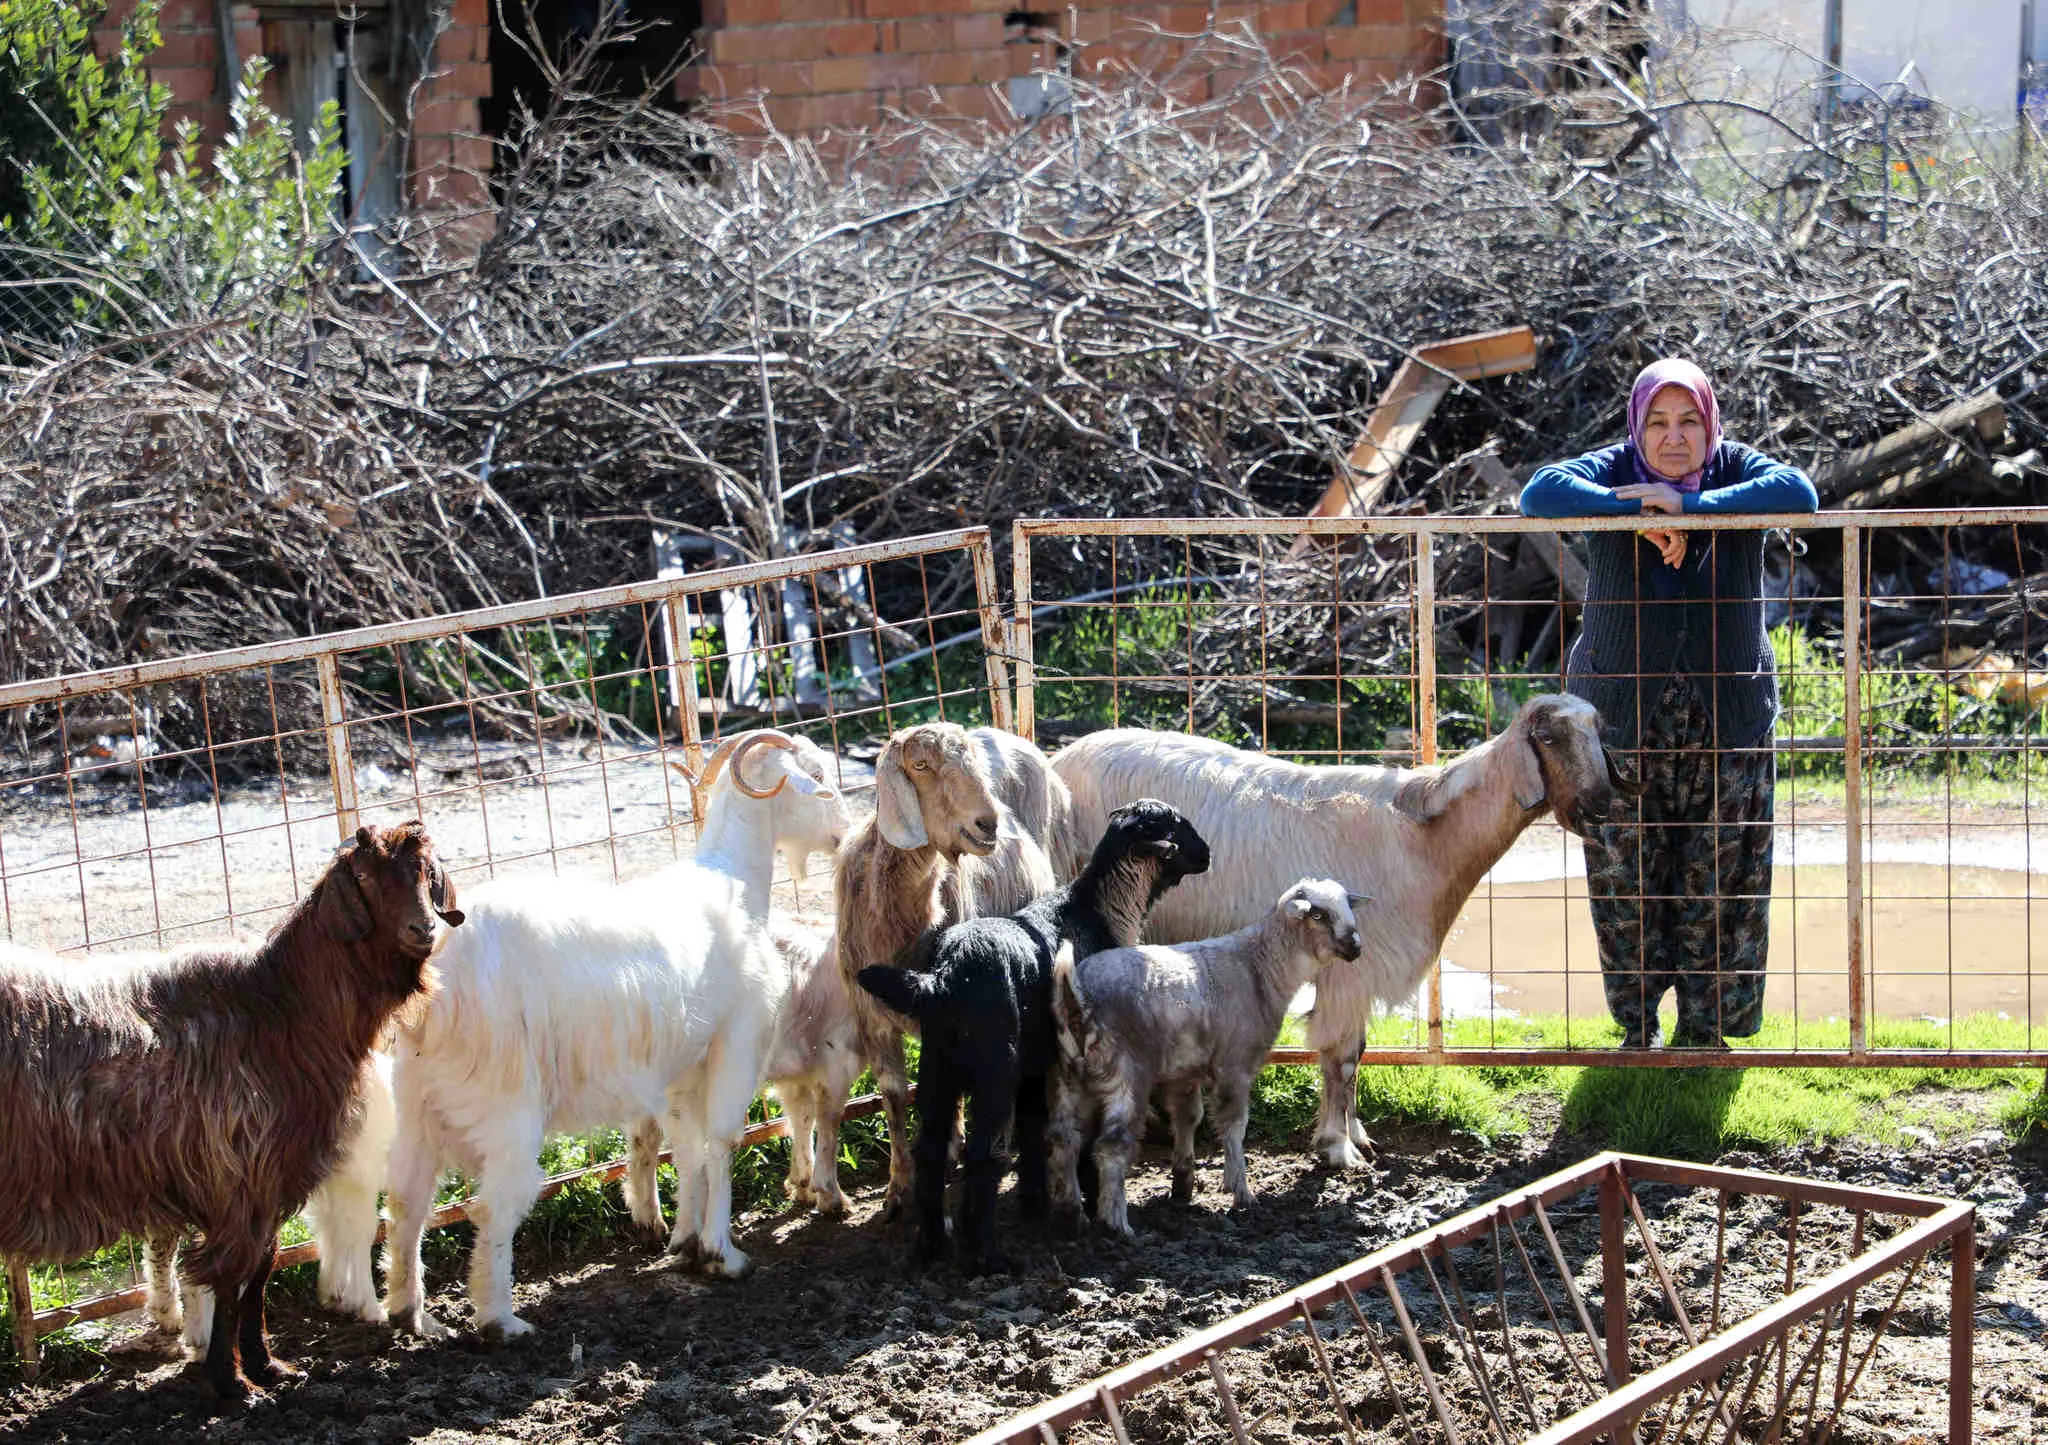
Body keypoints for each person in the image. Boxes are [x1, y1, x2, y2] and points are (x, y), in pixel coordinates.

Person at [1518, 359, 1818, 1048]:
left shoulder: (1734, 470)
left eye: (1689, 421)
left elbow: (1799, 491)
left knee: (1718, 878)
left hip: (1728, 714)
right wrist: (1636, 507)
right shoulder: (1613, 467)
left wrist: (1689, 508)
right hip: (1622, 716)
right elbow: (1538, 493)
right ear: (1638, 423)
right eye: (1659, 420)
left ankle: (1706, 1034)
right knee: (1628, 880)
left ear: (1710, 424)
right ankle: (1638, 1032)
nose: (1674, 436)